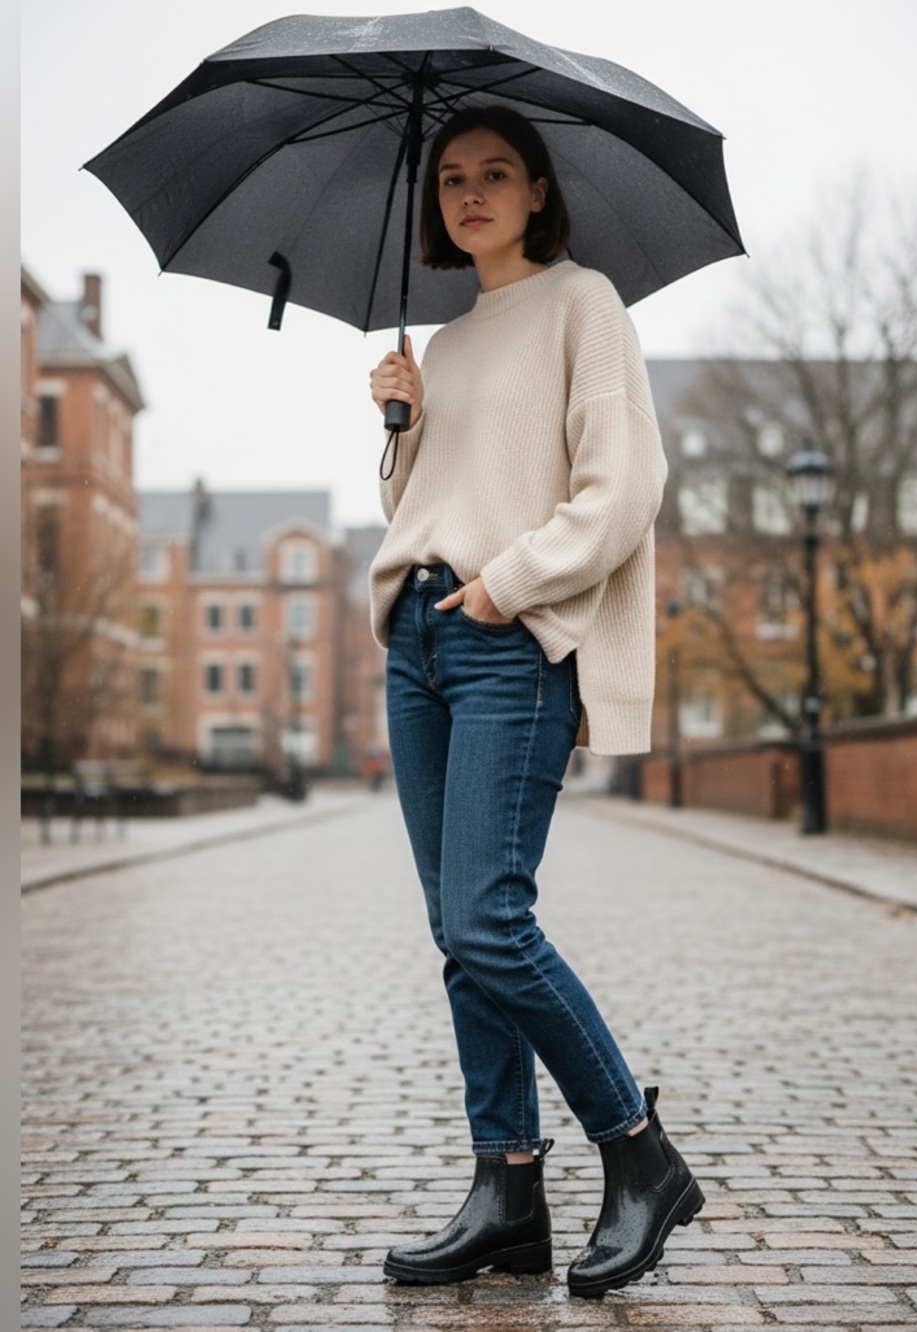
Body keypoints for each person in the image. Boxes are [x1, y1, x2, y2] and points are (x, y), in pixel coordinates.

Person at [367, 105, 703, 1299]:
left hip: (509, 639)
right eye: (452, 177)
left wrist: (509, 585)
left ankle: (638, 1153)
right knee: (456, 936)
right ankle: (506, 1192)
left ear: (536, 189)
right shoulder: (446, 347)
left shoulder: (583, 304)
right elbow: (425, 506)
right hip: (416, 636)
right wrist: (401, 422)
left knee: (488, 921)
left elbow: (624, 490)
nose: (470, 193)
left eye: (494, 174)